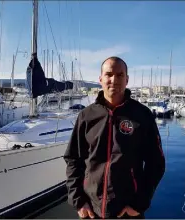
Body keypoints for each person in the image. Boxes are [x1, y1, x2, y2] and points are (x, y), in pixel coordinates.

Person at [64, 56, 166, 219]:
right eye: (109, 74)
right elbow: (73, 159)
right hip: (91, 210)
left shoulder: (142, 115)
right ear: (100, 79)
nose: (114, 79)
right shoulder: (87, 116)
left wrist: (140, 203)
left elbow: (156, 163)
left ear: (127, 79)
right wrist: (78, 200)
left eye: (120, 75)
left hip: (128, 210)